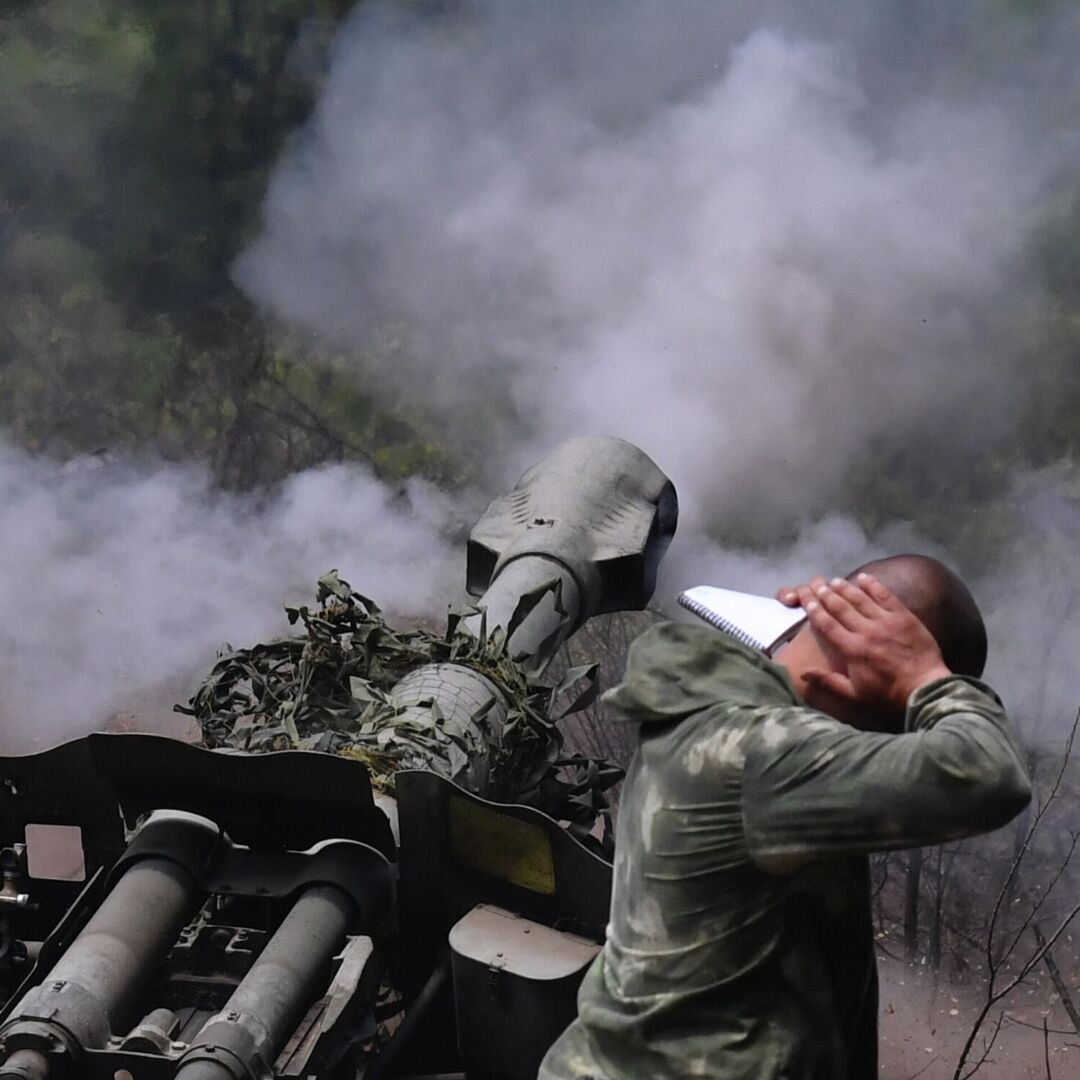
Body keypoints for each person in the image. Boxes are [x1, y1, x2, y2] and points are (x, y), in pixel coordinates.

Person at [538, 555, 1031, 1080]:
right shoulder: (763, 755)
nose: (898, 739)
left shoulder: (725, 719)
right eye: (901, 713)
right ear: (862, 657)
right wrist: (928, 678)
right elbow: (988, 774)